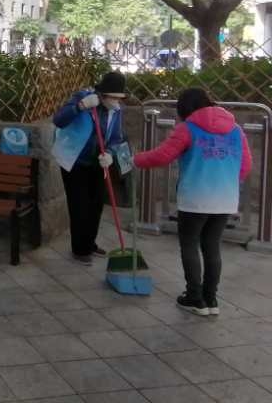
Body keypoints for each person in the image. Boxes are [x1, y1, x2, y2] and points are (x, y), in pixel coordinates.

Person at [134, 88, 251, 316]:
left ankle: (194, 298)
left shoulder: (187, 128)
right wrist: (225, 182)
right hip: (225, 199)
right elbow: (245, 166)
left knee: (189, 245)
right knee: (212, 247)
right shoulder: (236, 130)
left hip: (194, 199)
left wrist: (134, 159)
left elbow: (162, 156)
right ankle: (211, 299)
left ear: (184, 108)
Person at [52, 71, 128, 265]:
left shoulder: (116, 110)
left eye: (120, 98)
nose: (117, 101)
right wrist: (80, 107)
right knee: (79, 206)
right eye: (114, 97)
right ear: (102, 94)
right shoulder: (83, 98)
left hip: (99, 163)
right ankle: (80, 249)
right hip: (75, 161)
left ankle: (89, 243)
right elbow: (59, 120)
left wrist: (109, 153)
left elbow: (117, 138)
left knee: (96, 206)